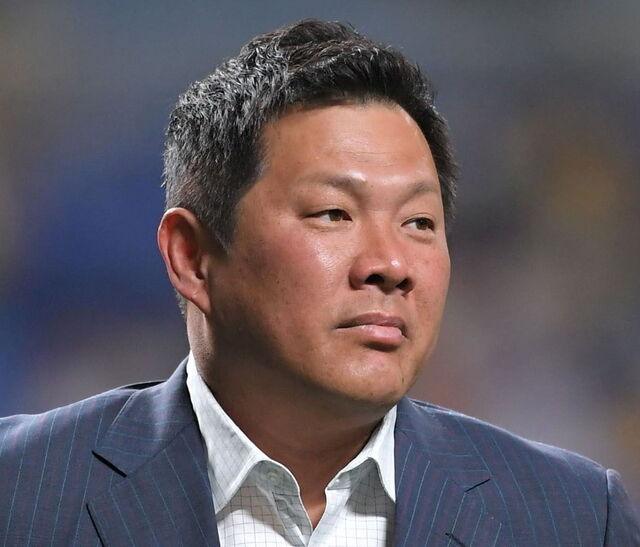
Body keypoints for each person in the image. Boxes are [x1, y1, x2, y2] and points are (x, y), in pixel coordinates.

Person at [0, 19, 638, 547]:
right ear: (192, 257)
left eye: (419, 222)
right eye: (334, 213)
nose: (390, 264)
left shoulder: (576, 517)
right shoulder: (21, 491)